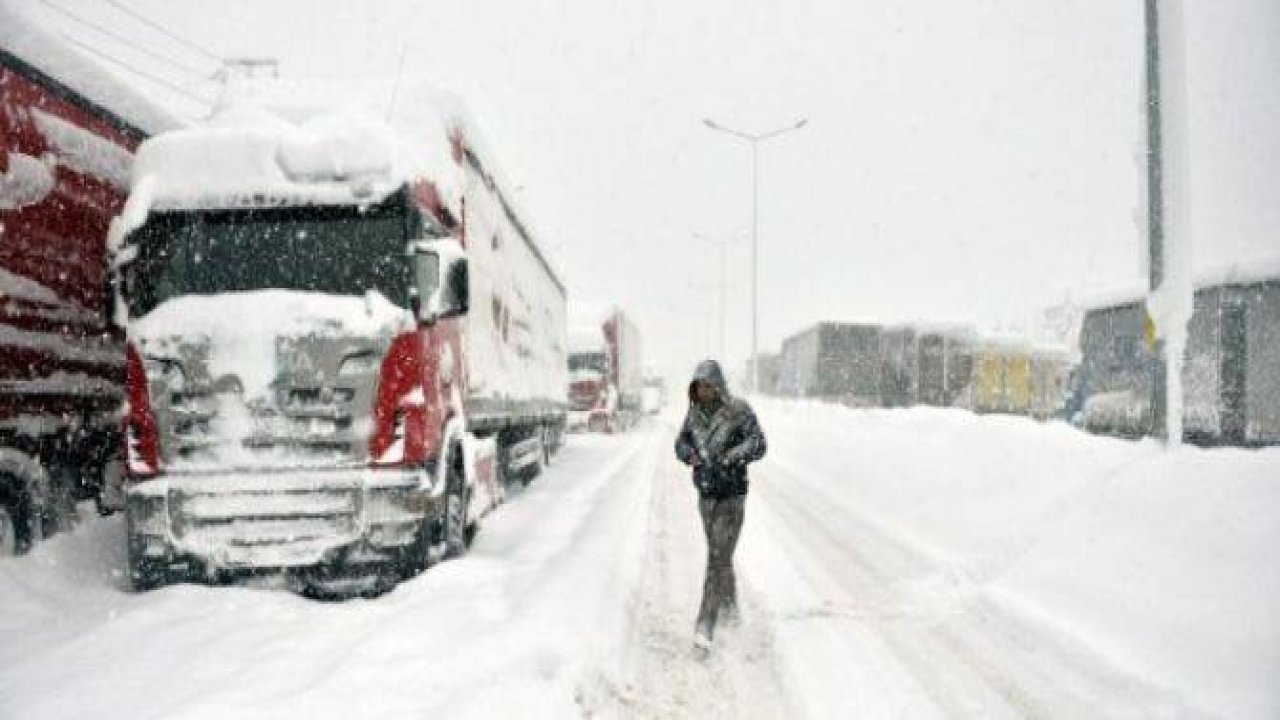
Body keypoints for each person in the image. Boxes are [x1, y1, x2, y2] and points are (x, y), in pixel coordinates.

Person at [674, 359, 767, 652]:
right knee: (721, 557)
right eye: (698, 386)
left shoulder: (738, 412)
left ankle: (705, 625)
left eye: (707, 385)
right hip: (706, 497)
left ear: (718, 385)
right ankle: (730, 610)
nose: (702, 391)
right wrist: (690, 456)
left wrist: (732, 456)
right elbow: (680, 444)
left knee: (716, 559)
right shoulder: (694, 415)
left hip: (731, 497)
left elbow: (759, 443)